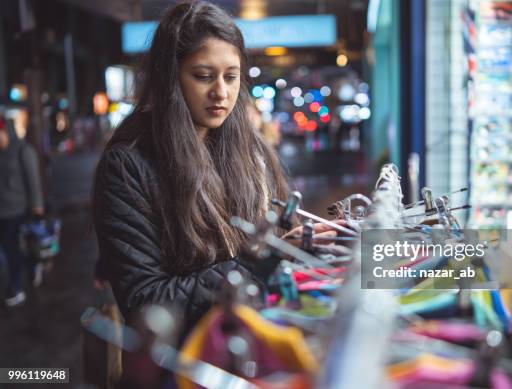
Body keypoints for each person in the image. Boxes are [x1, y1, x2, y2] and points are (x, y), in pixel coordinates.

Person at [93, 1, 339, 332]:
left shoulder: (251, 150)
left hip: (260, 341)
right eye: (203, 76)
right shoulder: (127, 166)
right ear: (170, 78)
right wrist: (260, 261)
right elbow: (145, 303)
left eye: (231, 77)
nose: (221, 92)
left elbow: (280, 245)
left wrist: (304, 245)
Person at [0, 115, 44, 307]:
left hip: (18, 210)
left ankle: (16, 288)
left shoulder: (23, 150)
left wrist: (37, 206)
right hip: (2, 210)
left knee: (12, 249)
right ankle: (33, 265)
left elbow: (33, 180)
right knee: (12, 249)